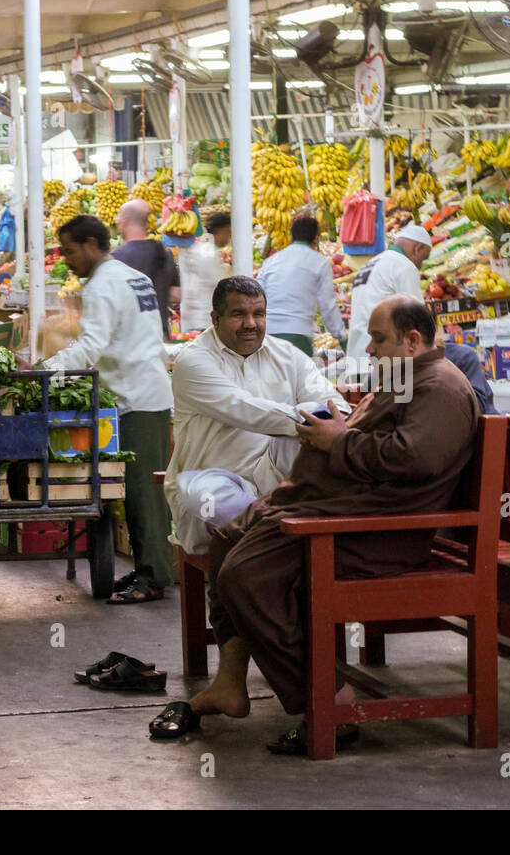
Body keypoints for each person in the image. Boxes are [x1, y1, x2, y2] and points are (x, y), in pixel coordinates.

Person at [149, 296, 479, 751]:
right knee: (226, 537)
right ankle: (230, 682)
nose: (372, 348)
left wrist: (338, 440)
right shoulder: (403, 377)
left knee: (246, 577)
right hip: (334, 507)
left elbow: (411, 458)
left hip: (374, 529)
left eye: (379, 339)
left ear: (413, 340)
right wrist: (336, 437)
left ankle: (329, 700)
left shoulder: (440, 388)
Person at [39, 215, 175, 604]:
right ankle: (149, 566)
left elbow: (90, 347)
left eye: (69, 250)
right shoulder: (134, 276)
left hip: (136, 398)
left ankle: (153, 577)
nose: (66, 259)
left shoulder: (101, 286)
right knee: (140, 491)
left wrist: (43, 371)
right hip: (147, 391)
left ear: (91, 244)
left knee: (141, 493)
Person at [164, 275, 349, 560]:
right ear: (215, 318)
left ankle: (272, 528)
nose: (251, 324)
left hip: (275, 478)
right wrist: (317, 424)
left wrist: (332, 423)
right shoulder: (193, 361)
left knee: (317, 415)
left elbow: (334, 404)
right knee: (203, 499)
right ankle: (270, 536)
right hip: (217, 478)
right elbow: (245, 409)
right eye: (239, 314)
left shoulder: (288, 355)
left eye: (258, 314)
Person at [346, 223, 433, 378]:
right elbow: (419, 317)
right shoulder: (404, 265)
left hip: (356, 358)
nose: (420, 265)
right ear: (417, 248)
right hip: (381, 360)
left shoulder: (372, 263)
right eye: (423, 258)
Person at [256, 215, 346, 356]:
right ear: (315, 239)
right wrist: (342, 337)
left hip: (268, 334)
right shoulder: (319, 263)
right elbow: (327, 306)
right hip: (298, 335)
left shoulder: (271, 261)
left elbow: (257, 296)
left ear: (291, 237)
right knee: (299, 377)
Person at [113, 198, 180, 336]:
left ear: (124, 220)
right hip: (159, 336)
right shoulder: (163, 252)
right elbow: (177, 294)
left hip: (130, 341)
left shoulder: (116, 259)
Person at [178, 210, 232, 334]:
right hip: (203, 320)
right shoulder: (208, 253)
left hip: (196, 318)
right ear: (221, 230)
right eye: (228, 232)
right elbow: (221, 284)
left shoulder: (202, 248)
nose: (229, 237)